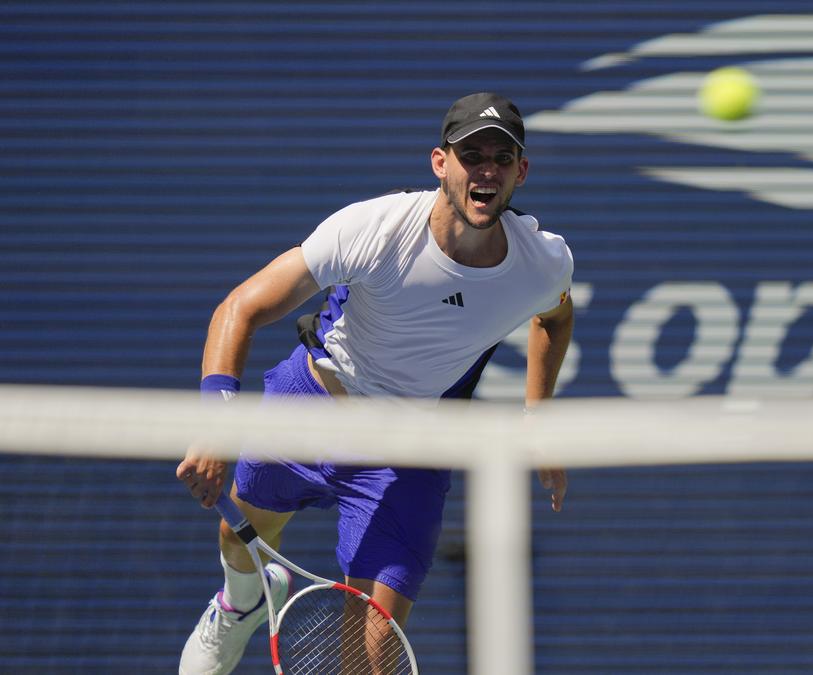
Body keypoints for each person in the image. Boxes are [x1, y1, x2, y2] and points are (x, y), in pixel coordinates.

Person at [175, 92, 573, 675]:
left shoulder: (541, 263)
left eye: (501, 157)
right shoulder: (375, 228)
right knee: (239, 540)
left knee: (369, 656)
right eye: (471, 155)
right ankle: (242, 602)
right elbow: (240, 307)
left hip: (408, 452)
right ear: (441, 163)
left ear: (521, 171)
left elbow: (554, 317)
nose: (486, 169)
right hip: (311, 401)